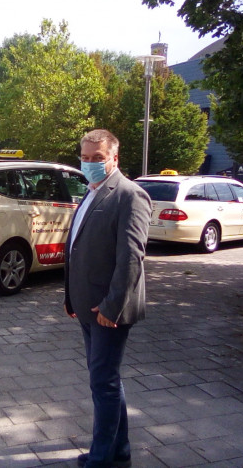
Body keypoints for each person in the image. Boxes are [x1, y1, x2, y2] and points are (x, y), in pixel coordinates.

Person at [64, 129, 152, 468]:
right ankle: (120, 450)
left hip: (108, 309)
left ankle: (101, 459)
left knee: (103, 382)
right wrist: (70, 297)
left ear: (113, 159)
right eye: (84, 158)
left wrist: (112, 306)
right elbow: (77, 248)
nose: (89, 164)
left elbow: (131, 257)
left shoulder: (130, 195)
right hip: (87, 305)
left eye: (96, 159)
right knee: (107, 379)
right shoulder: (90, 192)